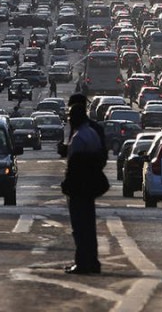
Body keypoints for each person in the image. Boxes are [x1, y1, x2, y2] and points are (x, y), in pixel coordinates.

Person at [60, 103, 107, 274]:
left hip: (79, 187)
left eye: (71, 117)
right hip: (89, 186)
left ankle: (83, 262)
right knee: (88, 226)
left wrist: (68, 183)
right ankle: (91, 261)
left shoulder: (80, 137)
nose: (69, 120)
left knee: (80, 227)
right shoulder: (92, 133)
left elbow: (75, 165)